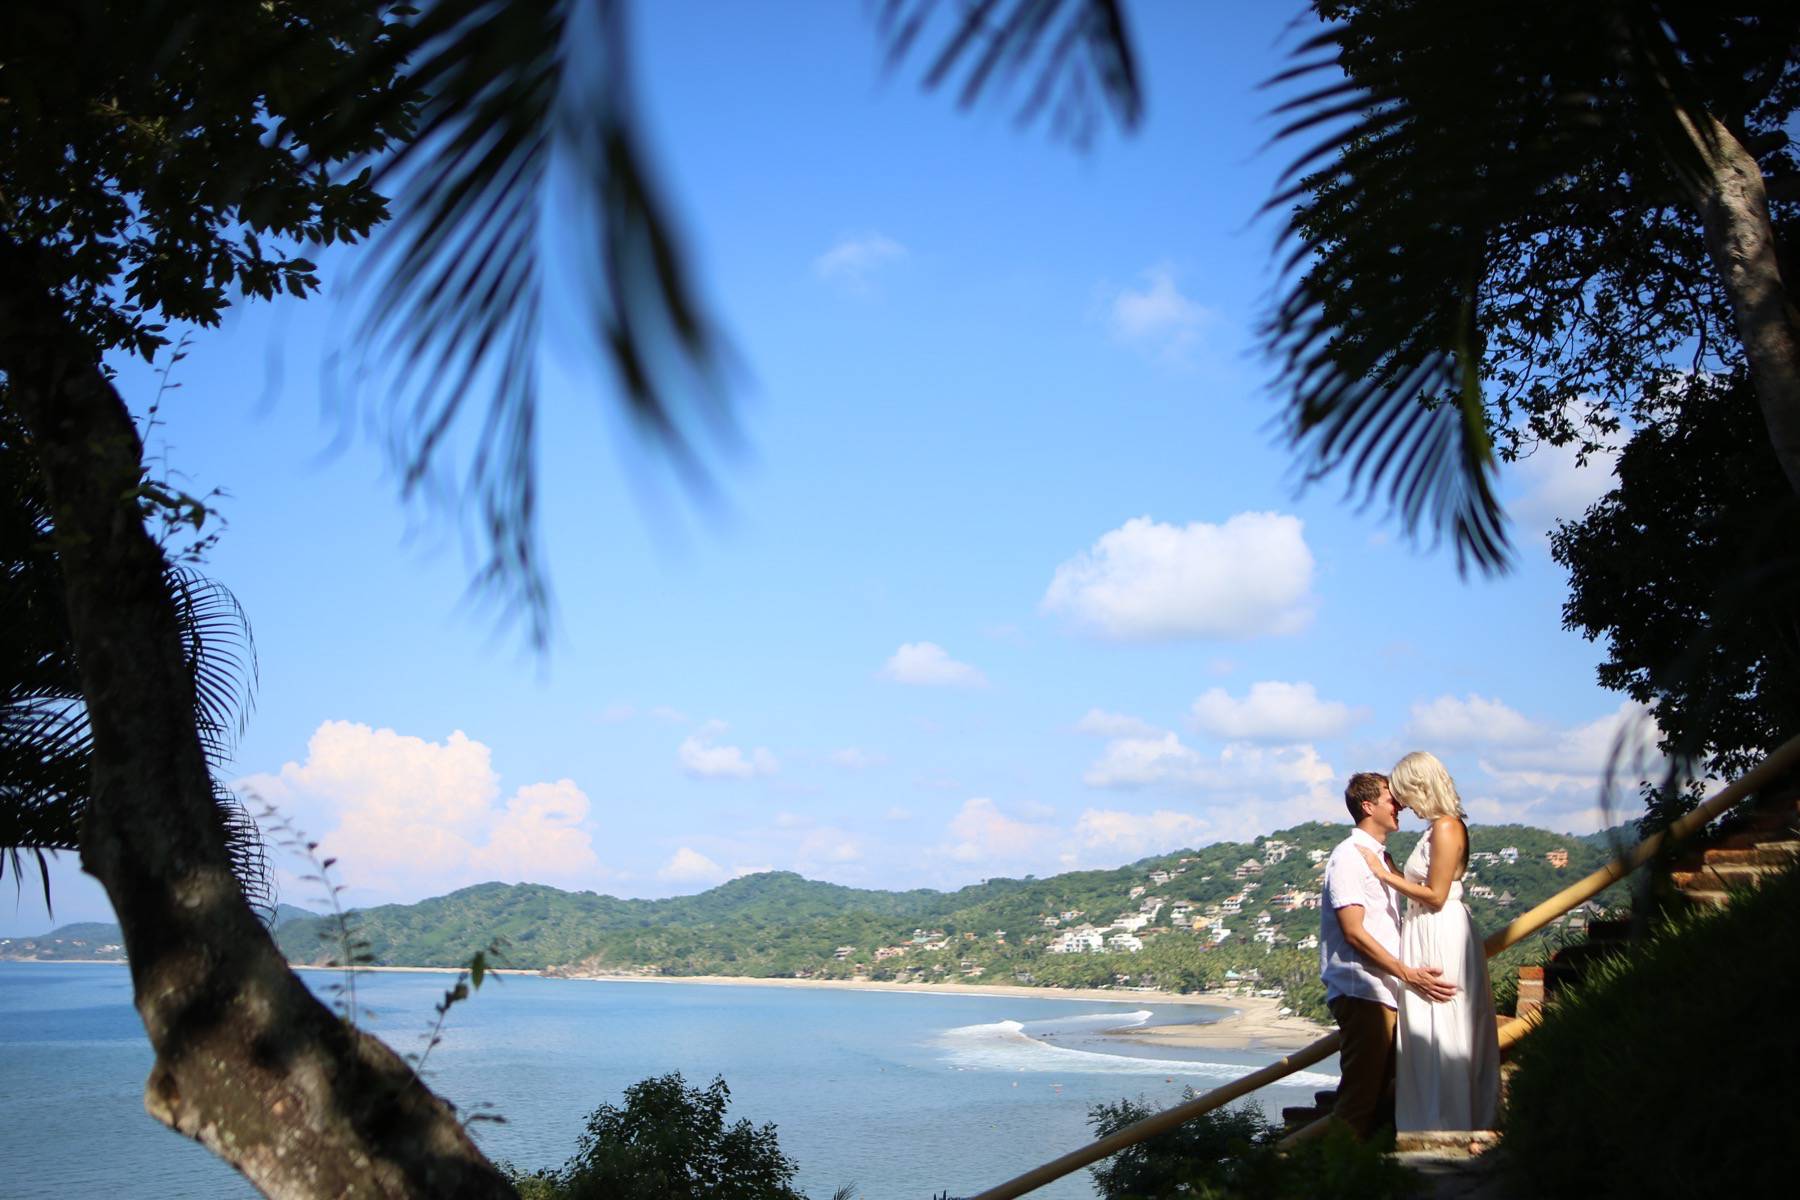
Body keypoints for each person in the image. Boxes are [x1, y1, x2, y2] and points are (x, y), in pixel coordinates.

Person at [1357, 751, 1501, 1131]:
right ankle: (1433, 1118)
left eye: (1404, 793)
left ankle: (1451, 1120)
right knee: (1428, 1023)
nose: (1402, 803)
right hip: (1426, 927)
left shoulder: (1447, 827)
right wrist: (1392, 870)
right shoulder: (1436, 828)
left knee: (1445, 1023)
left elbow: (1436, 894)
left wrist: (1385, 875)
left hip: (1440, 928)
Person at [1319, 771, 1457, 1139]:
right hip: (1363, 989)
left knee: (1382, 1097)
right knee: (1360, 1100)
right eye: (1390, 799)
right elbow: (1353, 931)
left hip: (1384, 990)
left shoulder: (1382, 858)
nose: (1399, 805)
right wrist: (1406, 972)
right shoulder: (1349, 857)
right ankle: (1334, 1167)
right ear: (1368, 806)